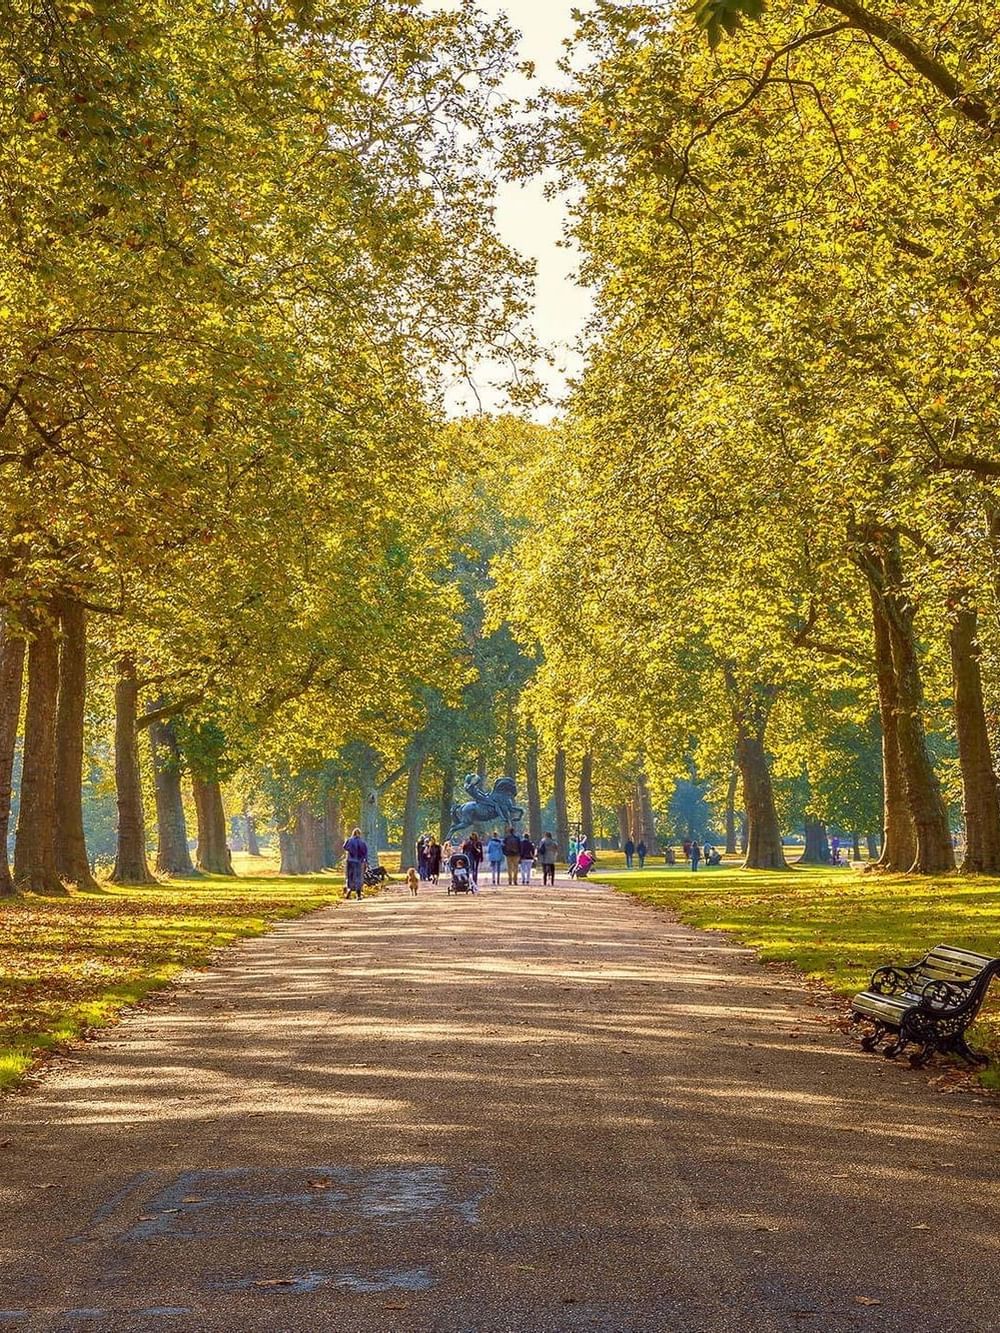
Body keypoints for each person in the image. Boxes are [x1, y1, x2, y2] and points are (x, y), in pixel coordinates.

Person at [343, 827, 367, 899]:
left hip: (350, 860)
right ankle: (358, 894)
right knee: (358, 877)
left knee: (349, 876)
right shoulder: (362, 842)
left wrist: (350, 851)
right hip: (359, 862)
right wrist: (365, 860)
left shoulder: (349, 840)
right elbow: (365, 852)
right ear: (360, 834)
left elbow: (344, 847)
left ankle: (349, 890)